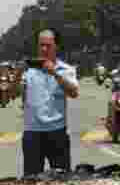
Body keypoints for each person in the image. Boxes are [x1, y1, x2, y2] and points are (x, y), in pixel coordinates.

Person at [21, 28, 79, 176]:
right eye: (41, 45)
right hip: (32, 133)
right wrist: (16, 74)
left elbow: (74, 93)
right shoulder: (28, 70)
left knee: (62, 180)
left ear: (56, 46)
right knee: (31, 181)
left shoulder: (65, 69)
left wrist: (54, 72)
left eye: (48, 45)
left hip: (57, 132)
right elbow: (10, 95)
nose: (44, 49)